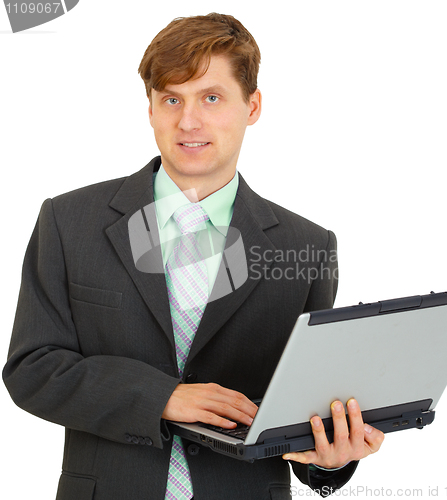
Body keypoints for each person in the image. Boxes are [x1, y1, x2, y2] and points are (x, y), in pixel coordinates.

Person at [3, 12, 384, 500]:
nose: (188, 121)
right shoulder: (68, 222)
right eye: (171, 99)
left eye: (211, 97)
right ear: (151, 108)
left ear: (252, 106)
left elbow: (302, 406)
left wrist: (333, 459)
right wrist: (161, 397)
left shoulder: (306, 247)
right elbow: (32, 368)